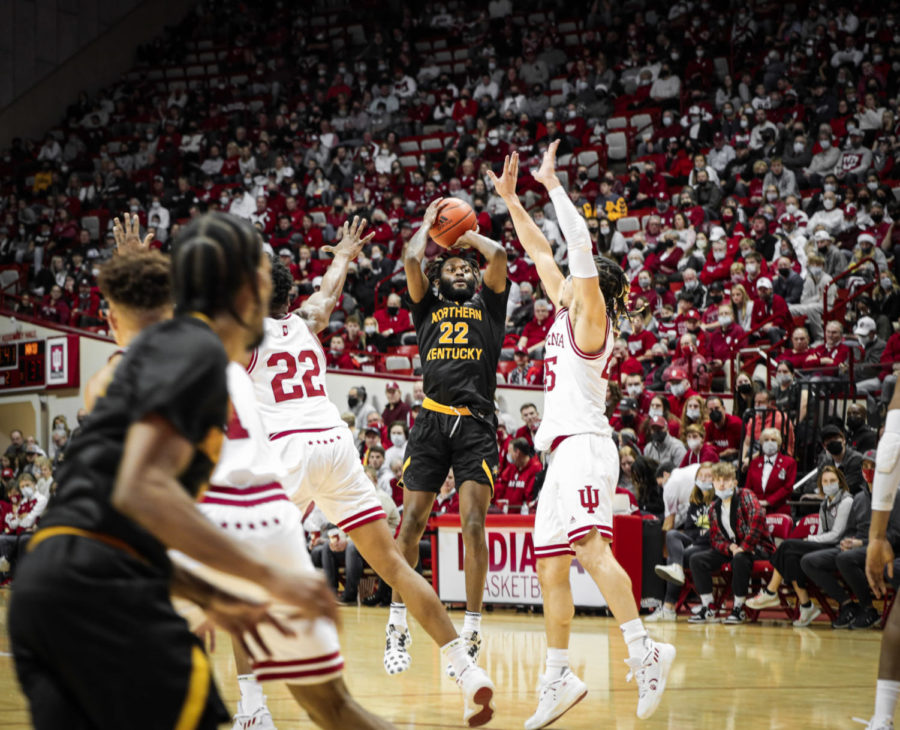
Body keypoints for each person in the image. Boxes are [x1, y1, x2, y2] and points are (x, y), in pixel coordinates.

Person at [8, 212, 338, 730]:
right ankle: (255, 707)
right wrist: (265, 578)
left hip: (46, 584)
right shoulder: (191, 359)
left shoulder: (135, 369)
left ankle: (255, 706)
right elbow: (142, 493)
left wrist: (213, 595)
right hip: (105, 582)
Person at [250, 215, 496, 725]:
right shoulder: (306, 319)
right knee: (398, 563)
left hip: (288, 452)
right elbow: (328, 294)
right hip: (334, 444)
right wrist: (342, 255)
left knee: (248, 580)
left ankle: (253, 709)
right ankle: (465, 668)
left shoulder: (238, 334)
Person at [490, 143, 675, 727]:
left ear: (591, 286)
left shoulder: (590, 318)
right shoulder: (563, 308)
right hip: (561, 453)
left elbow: (575, 246)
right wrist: (512, 202)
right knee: (548, 566)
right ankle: (558, 676)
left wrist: (552, 186)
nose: (559, 279)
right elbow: (540, 249)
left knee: (592, 551)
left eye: (572, 278)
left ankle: (645, 651)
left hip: (586, 448)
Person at [392, 196, 509, 687]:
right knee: (412, 521)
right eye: (454, 269)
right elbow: (413, 260)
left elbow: (499, 256)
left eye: (467, 269)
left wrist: (466, 238)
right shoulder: (427, 310)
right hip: (432, 422)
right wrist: (428, 229)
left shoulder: (491, 304)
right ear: (441, 283)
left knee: (473, 524)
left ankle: (474, 626)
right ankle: (397, 622)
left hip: (477, 425)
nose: (461, 272)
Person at [801, 452, 900, 630]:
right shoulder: (859, 498)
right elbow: (851, 530)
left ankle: (869, 609)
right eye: (865, 467)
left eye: (873, 467)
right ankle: (847, 604)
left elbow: (895, 534)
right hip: (857, 547)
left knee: (845, 559)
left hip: (882, 548)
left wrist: (861, 544)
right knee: (809, 561)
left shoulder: (895, 496)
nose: (869, 471)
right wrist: (847, 541)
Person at [747, 466, 854, 627]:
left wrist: (809, 539)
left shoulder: (846, 501)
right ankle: (806, 606)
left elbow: (837, 534)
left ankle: (771, 591)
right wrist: (811, 540)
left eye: (832, 481)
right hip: (826, 545)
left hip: (839, 547)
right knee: (790, 556)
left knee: (788, 545)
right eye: (825, 481)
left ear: (840, 482)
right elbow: (822, 531)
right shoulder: (825, 502)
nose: (829, 484)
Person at [688, 461, 775, 624]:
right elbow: (715, 539)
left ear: (734, 482)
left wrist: (743, 547)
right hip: (733, 550)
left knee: (740, 559)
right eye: (718, 480)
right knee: (697, 559)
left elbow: (757, 521)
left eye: (726, 480)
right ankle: (709, 607)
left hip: (756, 548)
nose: (721, 484)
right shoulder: (714, 507)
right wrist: (730, 547)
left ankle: (738, 608)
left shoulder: (746, 495)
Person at [648, 463, 715, 622]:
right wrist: (697, 536)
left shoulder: (718, 498)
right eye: (701, 476)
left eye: (708, 476)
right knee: (672, 535)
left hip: (712, 543)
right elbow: (690, 528)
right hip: (697, 539)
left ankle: (668, 608)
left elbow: (716, 530)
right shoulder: (695, 497)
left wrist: (699, 536)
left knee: (677, 556)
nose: (704, 479)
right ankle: (676, 569)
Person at [744, 428, 796, 515]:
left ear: (779, 443)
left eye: (773, 440)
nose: (769, 442)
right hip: (756, 510)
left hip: (779, 510)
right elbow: (748, 488)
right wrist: (754, 503)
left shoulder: (789, 462)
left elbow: (788, 488)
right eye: (766, 440)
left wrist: (768, 502)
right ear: (761, 443)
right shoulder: (754, 463)